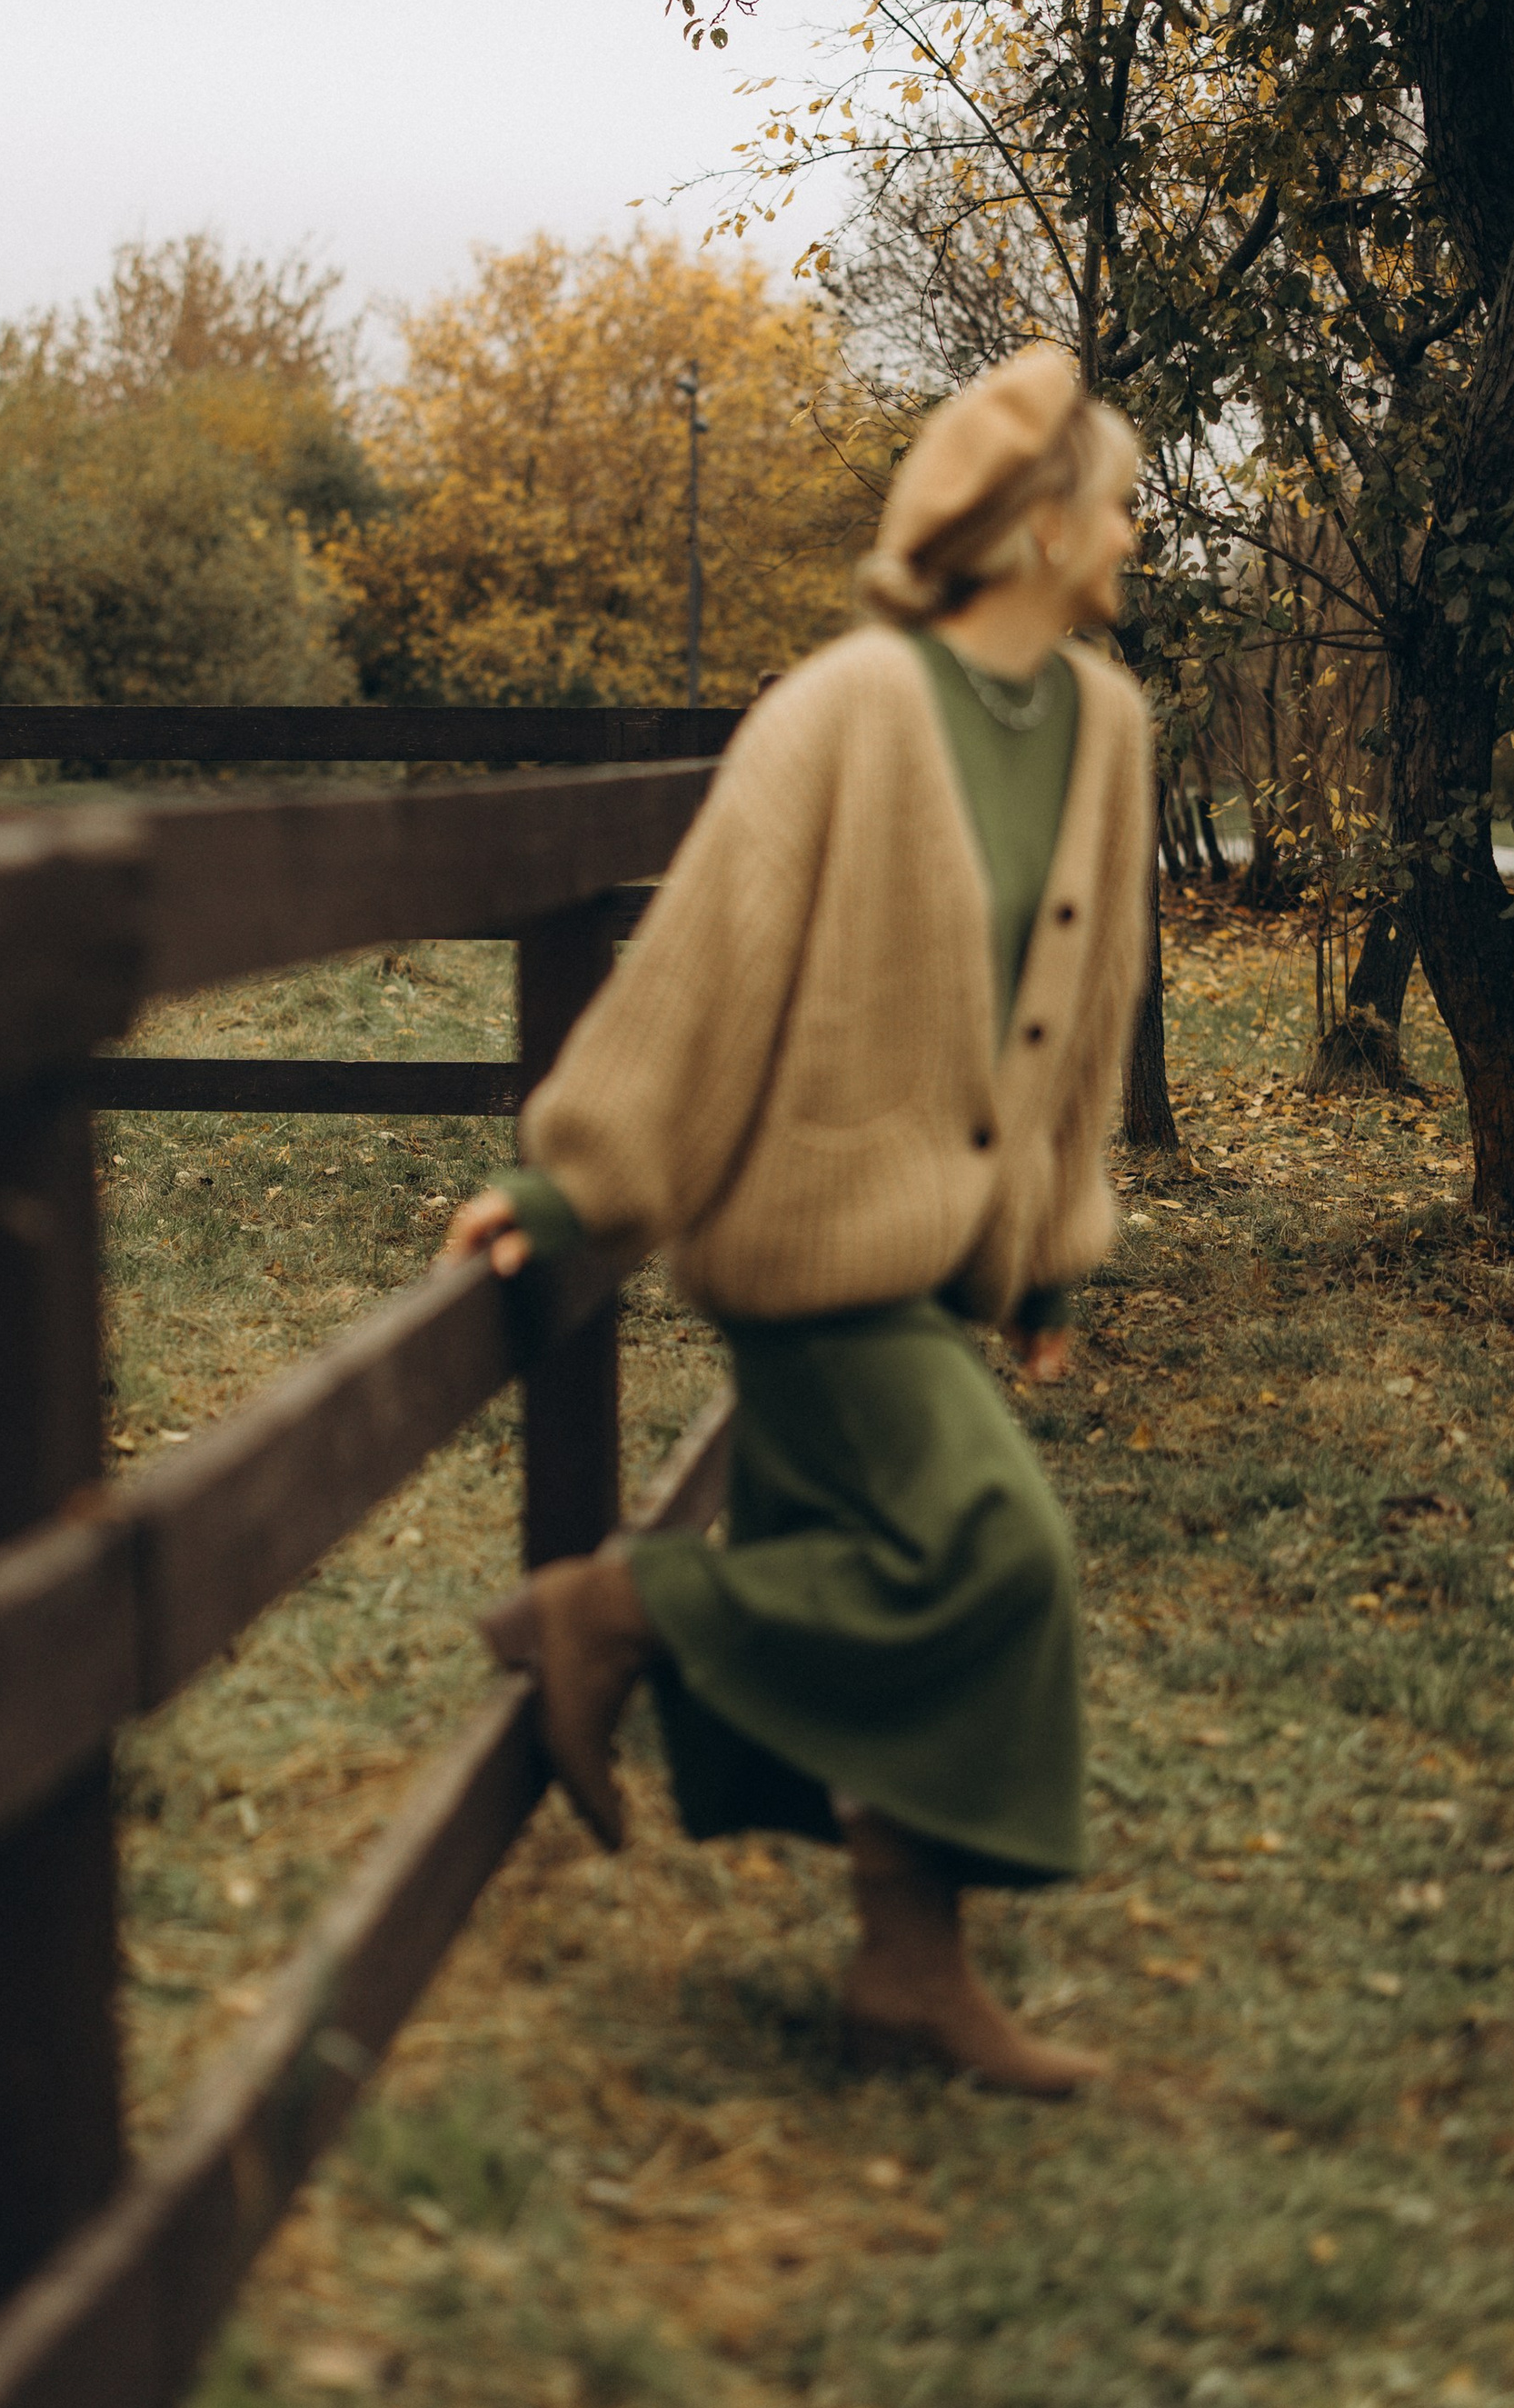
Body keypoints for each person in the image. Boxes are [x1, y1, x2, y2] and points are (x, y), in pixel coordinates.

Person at [443, 344, 1150, 2096]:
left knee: (932, 1564)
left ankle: (910, 1973)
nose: (1138, 530)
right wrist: (571, 1176)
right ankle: (617, 1612)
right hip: (810, 1245)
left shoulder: (1109, 727)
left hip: (947, 1254)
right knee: (1001, 1552)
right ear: (1038, 521)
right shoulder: (844, 709)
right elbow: (708, 960)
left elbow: (1090, 1012)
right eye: (1120, 499)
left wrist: (1052, 1247)